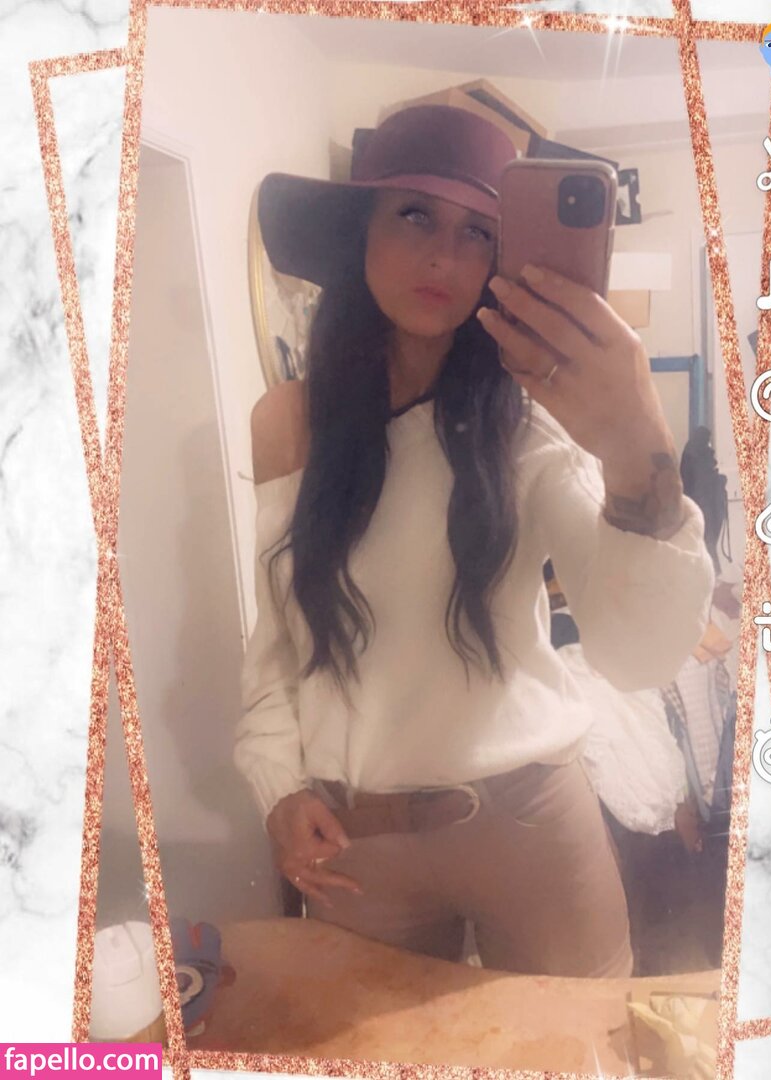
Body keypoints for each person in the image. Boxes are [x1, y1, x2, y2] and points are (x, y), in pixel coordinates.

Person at [234, 103, 715, 978]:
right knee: (374, 1047)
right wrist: (279, 785)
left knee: (585, 1042)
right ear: (362, 229)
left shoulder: (531, 425)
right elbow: (278, 639)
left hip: (529, 822)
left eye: (480, 232)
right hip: (359, 838)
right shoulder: (287, 423)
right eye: (415, 215)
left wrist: (637, 445)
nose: (445, 259)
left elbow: (638, 654)